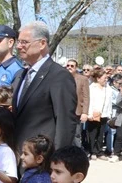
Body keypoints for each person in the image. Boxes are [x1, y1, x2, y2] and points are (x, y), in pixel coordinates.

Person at [12, 21, 78, 151]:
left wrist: (57, 159)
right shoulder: (21, 75)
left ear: (42, 43)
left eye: (24, 42)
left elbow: (65, 122)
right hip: (19, 155)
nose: (19, 46)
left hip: (43, 158)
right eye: (18, 42)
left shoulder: (59, 76)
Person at [86, 68, 112, 160]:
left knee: (101, 134)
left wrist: (109, 114)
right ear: (98, 78)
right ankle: (92, 151)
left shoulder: (107, 88)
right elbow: (89, 102)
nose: (106, 79)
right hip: (94, 114)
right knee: (93, 134)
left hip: (104, 114)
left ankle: (99, 151)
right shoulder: (92, 88)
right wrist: (89, 114)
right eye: (104, 78)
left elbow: (109, 102)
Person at [65, 59, 90, 148]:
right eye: (68, 66)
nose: (69, 67)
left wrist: (85, 112)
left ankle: (78, 154)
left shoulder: (83, 79)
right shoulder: (61, 78)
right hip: (63, 111)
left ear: (76, 68)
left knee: (76, 134)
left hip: (76, 111)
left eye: (72, 66)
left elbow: (86, 97)